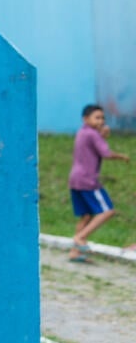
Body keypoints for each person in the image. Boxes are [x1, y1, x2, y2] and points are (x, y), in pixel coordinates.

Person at [68, 103, 129, 262]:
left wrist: (101, 135)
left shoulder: (83, 132)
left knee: (86, 216)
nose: (101, 121)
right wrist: (122, 156)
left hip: (75, 179)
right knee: (108, 211)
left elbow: (93, 145)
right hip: (88, 180)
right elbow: (105, 153)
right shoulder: (93, 134)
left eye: (102, 118)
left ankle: (75, 252)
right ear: (85, 119)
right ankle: (80, 238)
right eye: (97, 118)